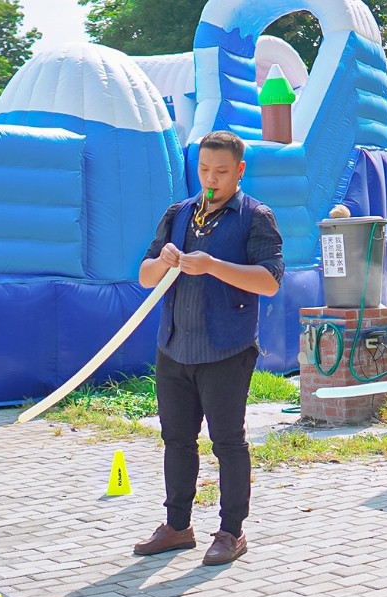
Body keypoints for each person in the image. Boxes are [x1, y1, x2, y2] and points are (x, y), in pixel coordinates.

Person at [133, 130, 284, 565]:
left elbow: (270, 282)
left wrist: (214, 266)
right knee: (177, 440)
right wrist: (161, 262)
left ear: (239, 170)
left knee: (228, 442)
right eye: (203, 170)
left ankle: (231, 532)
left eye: (220, 171)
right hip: (175, 345)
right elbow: (144, 276)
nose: (210, 179)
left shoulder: (256, 216)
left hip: (227, 348)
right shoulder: (178, 213)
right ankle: (177, 526)